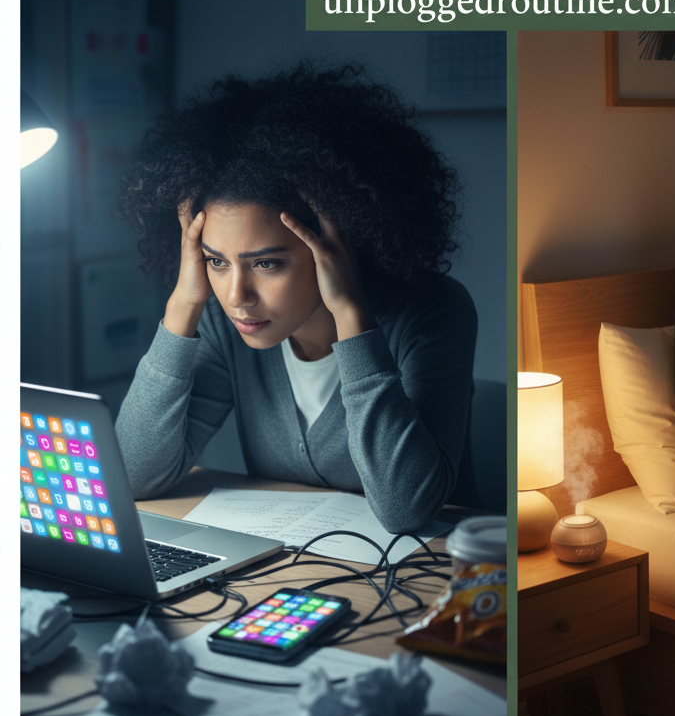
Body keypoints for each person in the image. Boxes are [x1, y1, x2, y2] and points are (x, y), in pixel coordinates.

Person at [114, 62, 477, 533]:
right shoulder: (225, 324)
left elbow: (406, 509)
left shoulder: (431, 313)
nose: (237, 296)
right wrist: (182, 305)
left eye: (267, 264)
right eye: (216, 261)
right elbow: (133, 476)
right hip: (292, 569)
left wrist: (351, 316)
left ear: (339, 244)